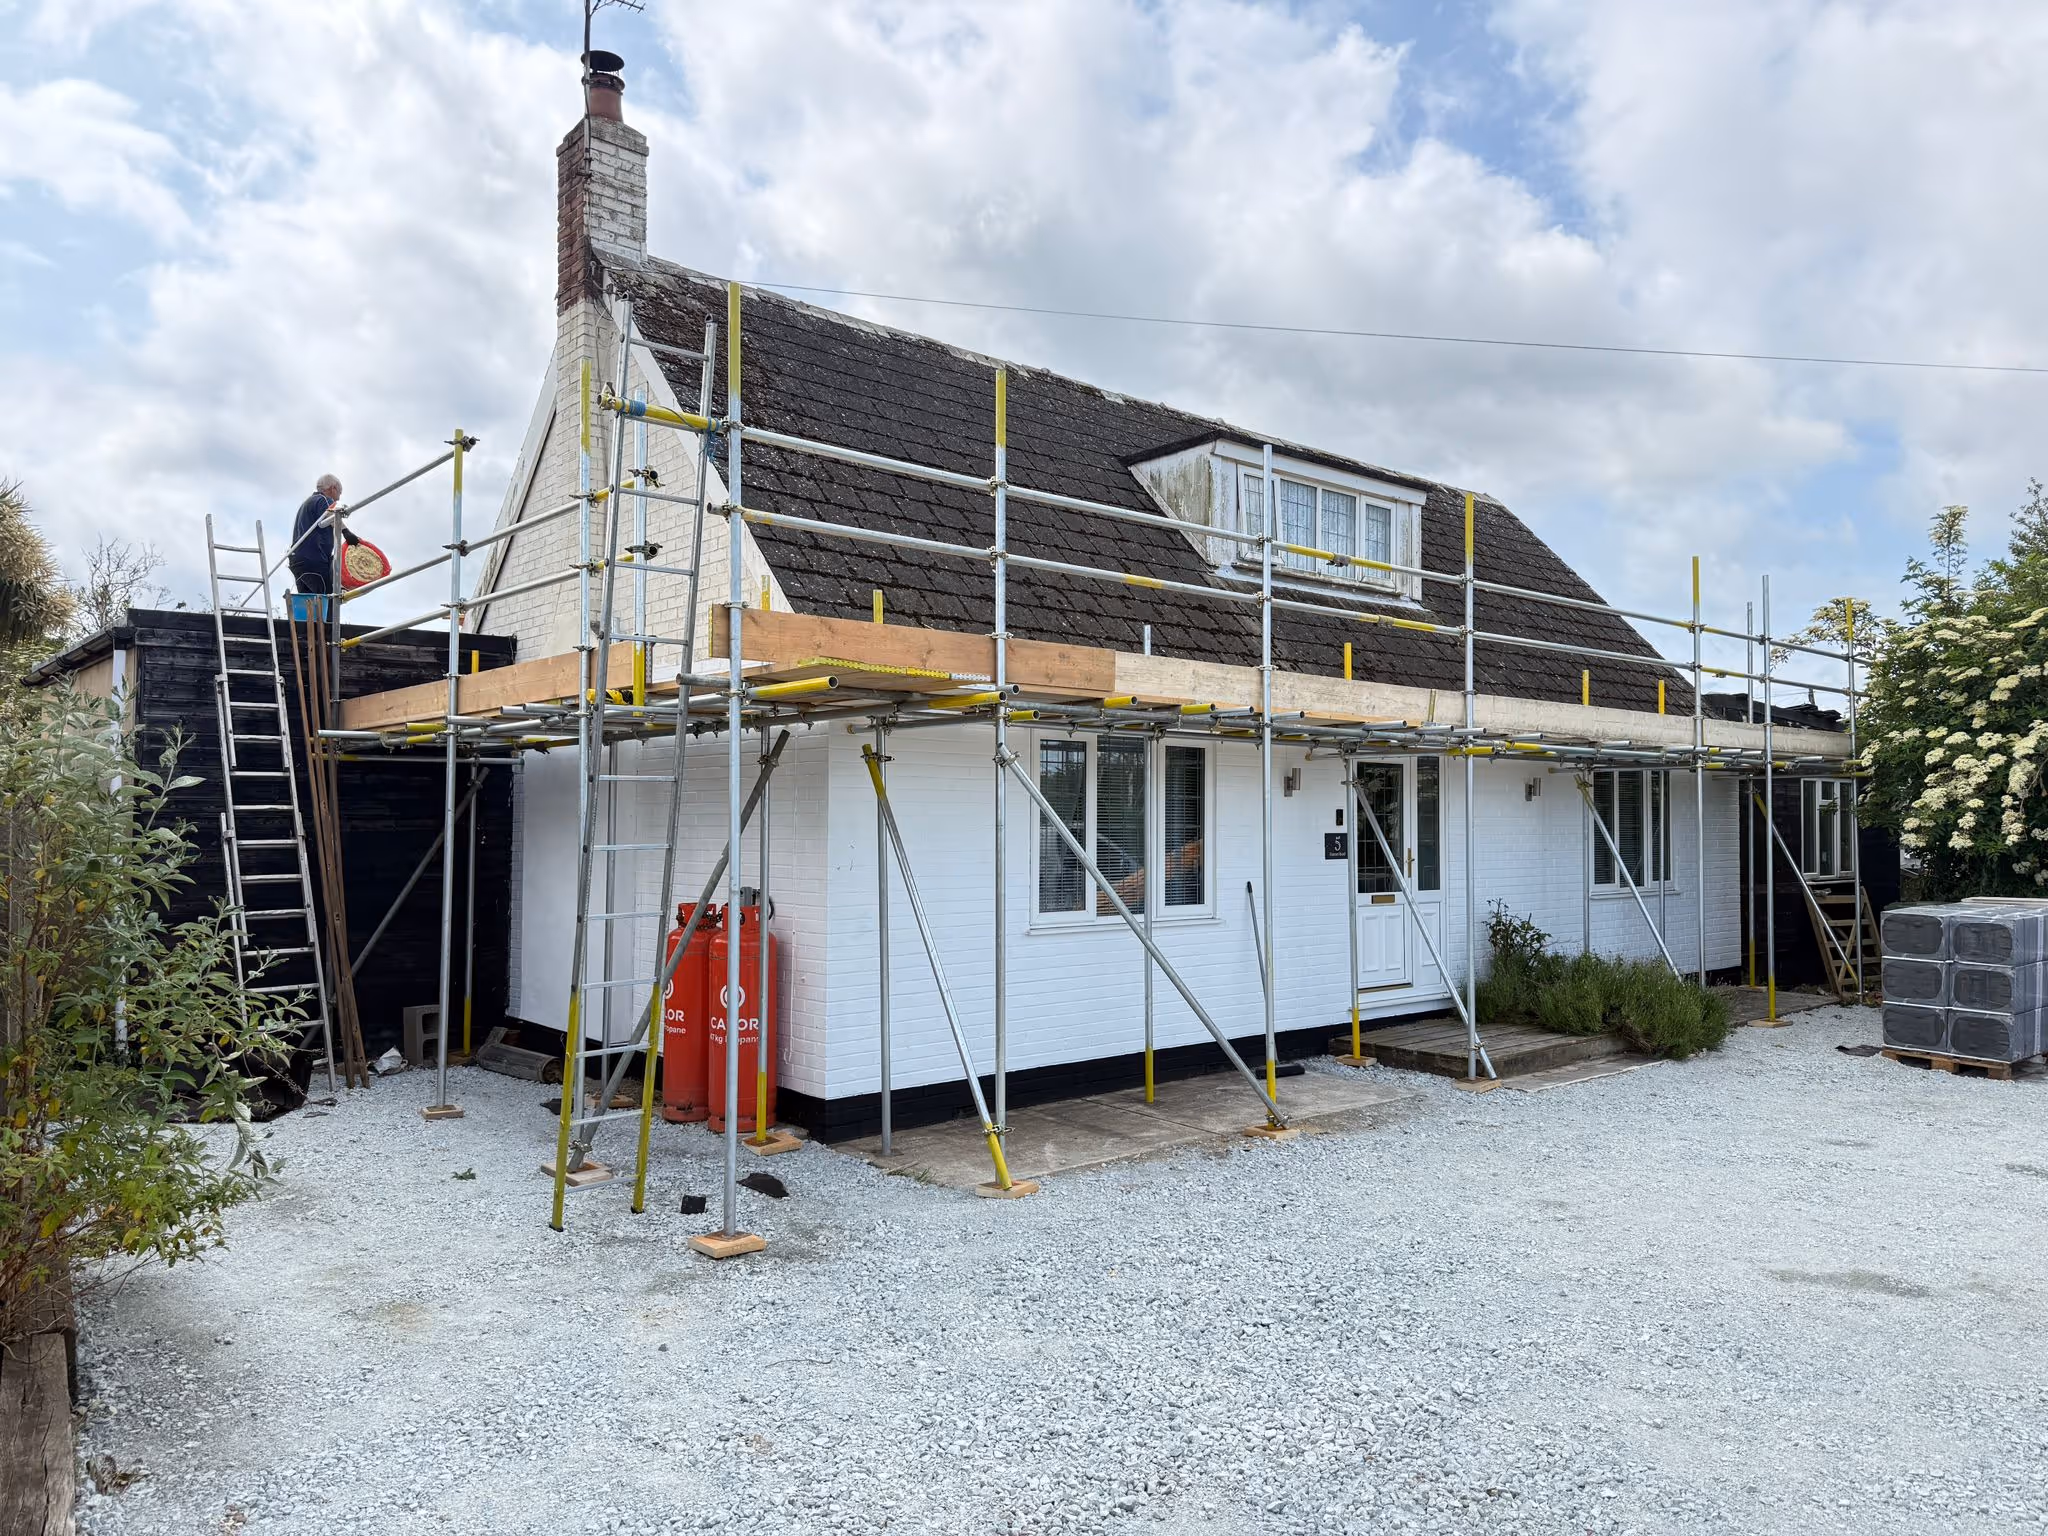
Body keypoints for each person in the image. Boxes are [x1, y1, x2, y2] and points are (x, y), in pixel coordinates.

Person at [289, 474, 359, 594]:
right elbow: (330, 515)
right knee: (328, 598)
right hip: (314, 559)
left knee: (309, 602)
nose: (338, 498)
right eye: (339, 493)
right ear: (333, 488)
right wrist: (346, 532)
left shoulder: (307, 503)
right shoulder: (324, 499)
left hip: (297, 560)